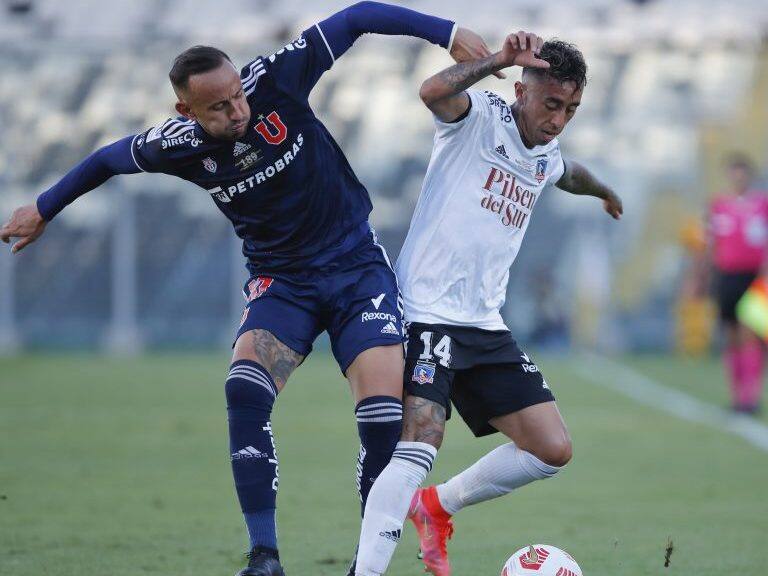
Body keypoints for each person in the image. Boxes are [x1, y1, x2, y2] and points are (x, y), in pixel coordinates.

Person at [0, 4, 501, 575]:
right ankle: (264, 557)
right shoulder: (175, 144)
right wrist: (42, 209)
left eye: (238, 95)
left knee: (383, 414)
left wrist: (452, 33)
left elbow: (359, 15)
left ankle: (367, 566)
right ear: (184, 110)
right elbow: (107, 159)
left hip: (356, 271)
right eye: (219, 106)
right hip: (283, 283)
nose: (238, 109)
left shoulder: (277, 79)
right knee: (244, 389)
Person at [353, 33, 623, 576]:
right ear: (522, 90)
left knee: (551, 449)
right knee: (418, 447)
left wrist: (604, 192)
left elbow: (567, 172)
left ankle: (437, 506)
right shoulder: (479, 116)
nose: (559, 119)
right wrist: (495, 60)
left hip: (484, 324)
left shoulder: (545, 151)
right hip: (426, 313)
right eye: (551, 104)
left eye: (571, 109)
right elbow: (431, 92)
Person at [707, 154, 767, 414]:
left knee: (750, 333)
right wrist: (706, 277)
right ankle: (736, 396)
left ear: (749, 176)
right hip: (726, 276)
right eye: (734, 172)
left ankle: (749, 397)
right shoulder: (719, 206)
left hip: (754, 277)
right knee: (731, 336)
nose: (738, 177)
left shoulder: (762, 205)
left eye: (742, 172)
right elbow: (711, 244)